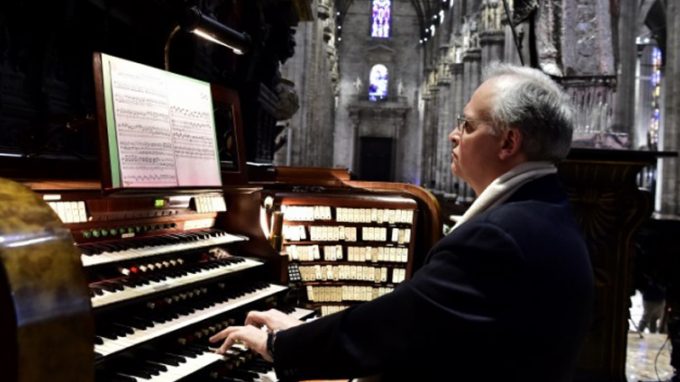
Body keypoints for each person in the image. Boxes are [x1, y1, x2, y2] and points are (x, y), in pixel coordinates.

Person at [209, 63, 595, 382]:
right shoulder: (544, 210)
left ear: (509, 143)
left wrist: (281, 344)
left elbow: (391, 328)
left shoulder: (500, 235)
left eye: (468, 125)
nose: (453, 135)